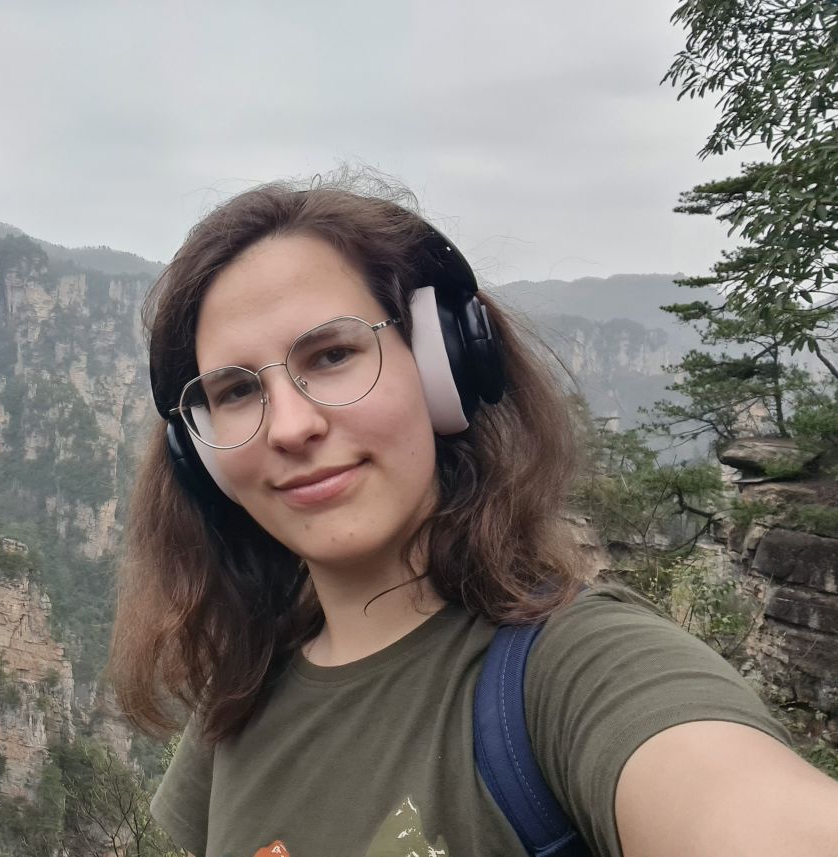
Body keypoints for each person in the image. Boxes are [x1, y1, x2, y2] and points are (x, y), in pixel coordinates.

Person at [107, 178, 838, 857]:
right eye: (235, 391)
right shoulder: (236, 702)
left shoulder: (573, 673)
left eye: (332, 354)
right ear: (197, 453)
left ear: (441, 365)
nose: (289, 426)